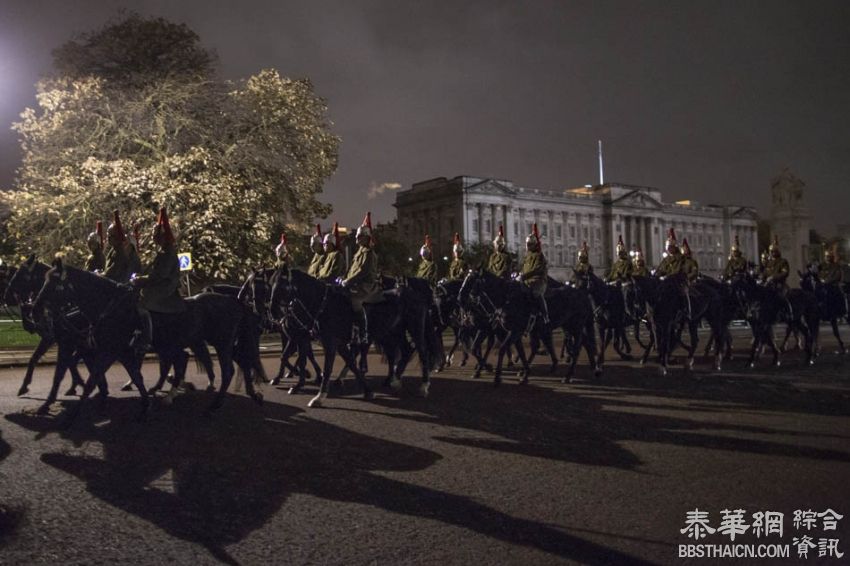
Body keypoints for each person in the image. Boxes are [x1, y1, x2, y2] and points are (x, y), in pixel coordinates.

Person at [131, 207, 185, 352]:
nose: (154, 238)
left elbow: (160, 275)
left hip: (166, 287)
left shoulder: (168, 253)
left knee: (143, 303)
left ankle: (146, 338)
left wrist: (141, 280)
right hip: (159, 284)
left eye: (156, 235)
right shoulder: (162, 252)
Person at [341, 212, 380, 344]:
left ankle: (363, 332)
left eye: (360, 237)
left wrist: (348, 281)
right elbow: (352, 270)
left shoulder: (369, 253)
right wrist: (344, 278)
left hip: (366, 286)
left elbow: (363, 271)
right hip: (355, 284)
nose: (357, 239)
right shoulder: (359, 252)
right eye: (357, 237)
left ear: (367, 238)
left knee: (355, 302)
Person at [520, 223, 549, 324]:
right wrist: (520, 274)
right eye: (527, 244)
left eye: (529, 244)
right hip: (527, 281)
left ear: (534, 245)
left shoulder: (539, 256)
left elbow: (537, 270)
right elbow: (524, 268)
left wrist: (524, 276)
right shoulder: (527, 256)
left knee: (536, 293)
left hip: (538, 281)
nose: (527, 246)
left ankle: (545, 315)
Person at [762, 235, 792, 319]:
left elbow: (785, 273)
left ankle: (787, 313)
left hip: (779, 284)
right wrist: (761, 279)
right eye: (771, 251)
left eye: (774, 251)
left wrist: (773, 277)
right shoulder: (768, 263)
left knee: (782, 298)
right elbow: (764, 272)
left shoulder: (783, 261)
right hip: (768, 285)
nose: (772, 253)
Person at [103, 210, 132, 284]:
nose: (108, 238)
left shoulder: (120, 253)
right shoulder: (113, 250)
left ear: (116, 237)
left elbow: (113, 272)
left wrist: (101, 275)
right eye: (108, 236)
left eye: (110, 236)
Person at [818, 243, 845, 315]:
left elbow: (836, 276)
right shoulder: (826, 266)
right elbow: (822, 274)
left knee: (836, 295)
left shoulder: (836, 266)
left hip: (833, 285)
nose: (827, 258)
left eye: (829, 257)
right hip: (826, 284)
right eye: (827, 257)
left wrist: (826, 281)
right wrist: (821, 279)